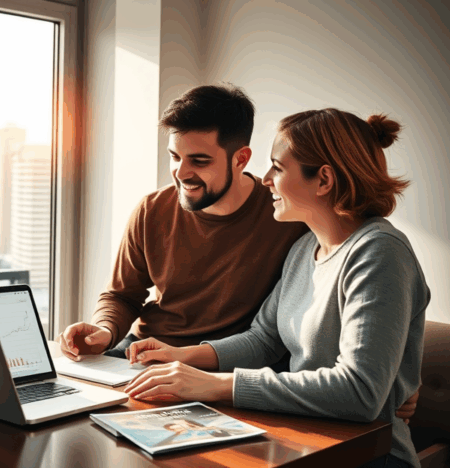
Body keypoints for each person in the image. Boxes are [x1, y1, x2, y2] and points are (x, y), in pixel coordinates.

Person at [123, 109, 430, 468]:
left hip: (368, 454)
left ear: (324, 180)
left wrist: (219, 385)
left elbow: (360, 393)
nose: (266, 179)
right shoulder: (305, 248)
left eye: (278, 168)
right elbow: (264, 339)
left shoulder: (379, 253)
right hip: (303, 438)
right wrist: (182, 356)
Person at [59, 84, 308, 365]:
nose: (181, 172)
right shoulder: (151, 210)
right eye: (175, 156)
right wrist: (104, 330)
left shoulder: (285, 216)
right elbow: (121, 295)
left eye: (199, 161)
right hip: (142, 352)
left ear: (241, 159)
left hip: (221, 364)